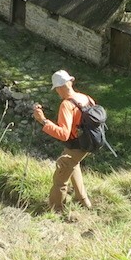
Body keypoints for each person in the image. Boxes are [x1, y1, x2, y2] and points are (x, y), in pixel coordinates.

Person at [33, 69, 95, 215]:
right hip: (88, 144)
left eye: (56, 89)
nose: (57, 93)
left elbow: (64, 134)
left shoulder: (66, 105)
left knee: (60, 178)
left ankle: (56, 210)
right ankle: (84, 201)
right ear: (70, 82)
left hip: (75, 147)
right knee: (73, 165)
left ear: (60, 88)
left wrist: (43, 121)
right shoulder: (86, 98)